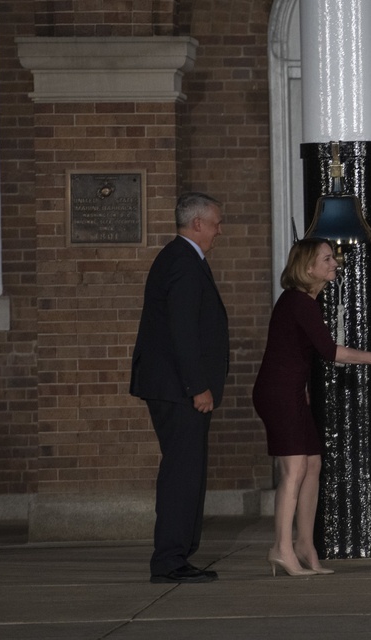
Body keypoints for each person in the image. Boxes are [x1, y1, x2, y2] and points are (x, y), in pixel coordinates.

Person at [254, 237, 371, 577]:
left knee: (314, 464)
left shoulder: (304, 302)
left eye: (333, 258)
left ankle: (305, 544)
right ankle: (281, 548)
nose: (335, 263)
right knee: (295, 471)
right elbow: (330, 352)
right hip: (279, 394)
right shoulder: (299, 302)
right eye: (327, 258)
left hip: (290, 392)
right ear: (307, 268)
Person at [130, 192, 230, 584]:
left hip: (175, 386)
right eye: (217, 223)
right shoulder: (184, 263)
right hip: (179, 388)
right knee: (182, 473)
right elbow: (182, 331)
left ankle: (179, 554)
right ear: (198, 224)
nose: (220, 231)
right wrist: (198, 386)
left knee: (187, 471)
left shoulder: (181, 258)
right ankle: (170, 559)